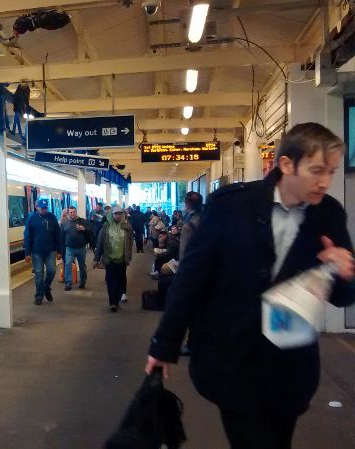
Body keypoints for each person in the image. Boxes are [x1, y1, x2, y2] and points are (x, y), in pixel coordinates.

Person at [145, 123, 355, 449]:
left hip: (291, 367)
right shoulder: (230, 206)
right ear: (287, 164)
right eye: (316, 170)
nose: (325, 182)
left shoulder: (328, 214)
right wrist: (164, 344)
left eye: (331, 171)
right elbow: (191, 278)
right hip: (233, 360)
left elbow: (344, 298)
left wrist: (344, 272)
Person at [94, 206, 133, 312]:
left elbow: (130, 243)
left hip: (122, 260)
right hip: (109, 260)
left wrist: (129, 256)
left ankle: (116, 300)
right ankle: (113, 303)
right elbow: (100, 243)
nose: (118, 216)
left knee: (120, 282)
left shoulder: (126, 227)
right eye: (115, 214)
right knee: (111, 282)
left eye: (120, 214)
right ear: (112, 215)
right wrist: (96, 259)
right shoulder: (106, 227)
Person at [24, 198, 63, 305]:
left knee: (51, 270)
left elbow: (57, 235)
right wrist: (27, 253)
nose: (44, 210)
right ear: (37, 207)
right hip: (37, 251)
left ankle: (46, 288)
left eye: (46, 208)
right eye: (42, 208)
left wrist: (60, 250)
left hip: (51, 250)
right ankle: (39, 296)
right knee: (38, 274)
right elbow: (27, 236)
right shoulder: (32, 218)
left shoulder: (52, 217)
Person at [61, 206, 94, 291]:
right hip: (69, 248)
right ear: (68, 213)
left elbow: (91, 229)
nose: (72, 214)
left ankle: (83, 280)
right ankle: (68, 283)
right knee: (68, 264)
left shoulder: (82, 221)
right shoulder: (65, 223)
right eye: (70, 212)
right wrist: (60, 249)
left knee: (82, 266)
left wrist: (84, 229)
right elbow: (61, 235)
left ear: (76, 212)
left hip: (81, 248)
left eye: (74, 212)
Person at [179, 191, 203, 261]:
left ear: (188, 204)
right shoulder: (209, 217)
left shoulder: (189, 224)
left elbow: (184, 250)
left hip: (192, 262)